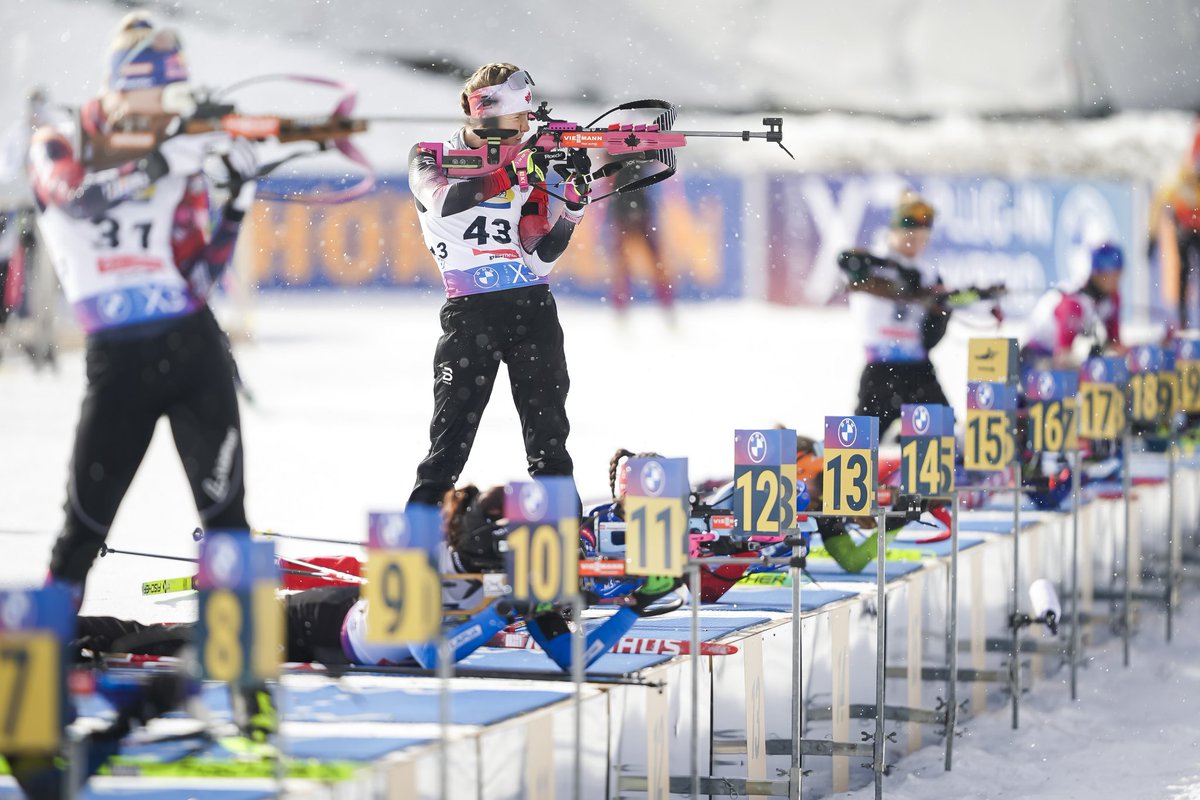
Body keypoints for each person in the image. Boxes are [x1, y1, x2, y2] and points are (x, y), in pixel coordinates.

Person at [30, 12, 260, 596]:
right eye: (160, 95)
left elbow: (197, 278)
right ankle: (42, 666)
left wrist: (233, 208)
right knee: (81, 530)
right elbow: (77, 200)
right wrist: (158, 163)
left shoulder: (177, 159)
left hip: (192, 349)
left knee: (229, 529)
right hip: (119, 362)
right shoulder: (61, 141)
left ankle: (245, 682)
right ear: (126, 85)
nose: (165, 113)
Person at [407, 63, 588, 507]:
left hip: (533, 309)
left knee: (550, 446)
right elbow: (443, 201)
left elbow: (539, 257)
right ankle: (413, 549)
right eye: (519, 116)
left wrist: (571, 210)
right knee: (447, 448)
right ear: (486, 117)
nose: (528, 124)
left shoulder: (537, 156)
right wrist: (515, 173)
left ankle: (565, 549)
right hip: (471, 314)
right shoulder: (430, 155)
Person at [839, 191, 951, 436]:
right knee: (856, 447)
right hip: (881, 372)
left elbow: (929, 340)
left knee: (944, 438)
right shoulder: (873, 263)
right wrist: (898, 274)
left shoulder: (929, 275)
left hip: (919, 371)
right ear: (894, 233)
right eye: (909, 237)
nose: (915, 244)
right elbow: (846, 260)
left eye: (922, 239)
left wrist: (940, 313)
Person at [1021, 242, 1124, 369]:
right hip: (1034, 357)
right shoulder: (1074, 304)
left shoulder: (1113, 298)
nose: (1117, 280)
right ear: (1097, 274)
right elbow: (1062, 357)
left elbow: (1115, 345)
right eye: (1112, 275)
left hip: (1058, 356)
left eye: (1119, 274)